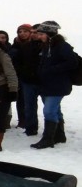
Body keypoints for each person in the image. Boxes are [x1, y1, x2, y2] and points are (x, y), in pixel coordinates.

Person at [31, 21, 77, 149]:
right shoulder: (47, 45)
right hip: (47, 84)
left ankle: (48, 139)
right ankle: (59, 135)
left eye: (41, 34)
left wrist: (51, 69)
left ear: (49, 33)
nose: (39, 36)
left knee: (49, 111)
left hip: (58, 85)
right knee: (55, 110)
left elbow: (72, 63)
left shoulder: (62, 46)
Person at [9, 23, 42, 136]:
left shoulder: (44, 45)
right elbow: (17, 62)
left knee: (50, 107)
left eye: (25, 31)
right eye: (20, 32)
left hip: (42, 79)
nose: (22, 34)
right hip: (25, 78)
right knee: (25, 102)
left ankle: (56, 131)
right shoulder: (18, 45)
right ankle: (27, 125)